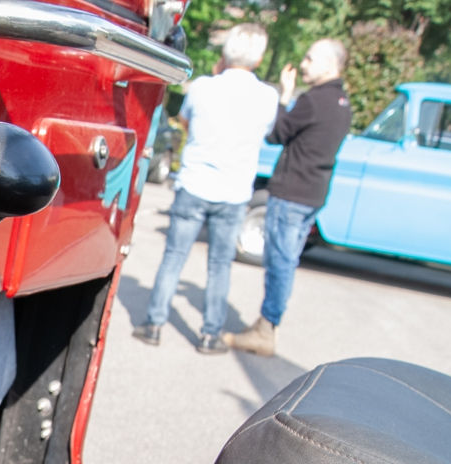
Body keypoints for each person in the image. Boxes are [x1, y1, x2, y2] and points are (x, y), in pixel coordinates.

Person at [132, 23, 278, 354]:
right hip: (235, 190)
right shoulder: (268, 97)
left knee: (174, 255)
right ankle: (210, 334)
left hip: (195, 183)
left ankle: (154, 324)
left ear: (226, 52)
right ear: (258, 58)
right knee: (220, 264)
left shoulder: (201, 88)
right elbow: (267, 132)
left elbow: (184, 122)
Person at [226, 39, 352, 356]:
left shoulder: (314, 100)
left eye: (309, 58)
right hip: (314, 192)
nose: (304, 63)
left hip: (292, 190)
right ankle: (267, 324)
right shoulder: (342, 102)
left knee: (279, 262)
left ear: (328, 64)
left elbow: (276, 133)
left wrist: (284, 94)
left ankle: (266, 330)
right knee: (288, 260)